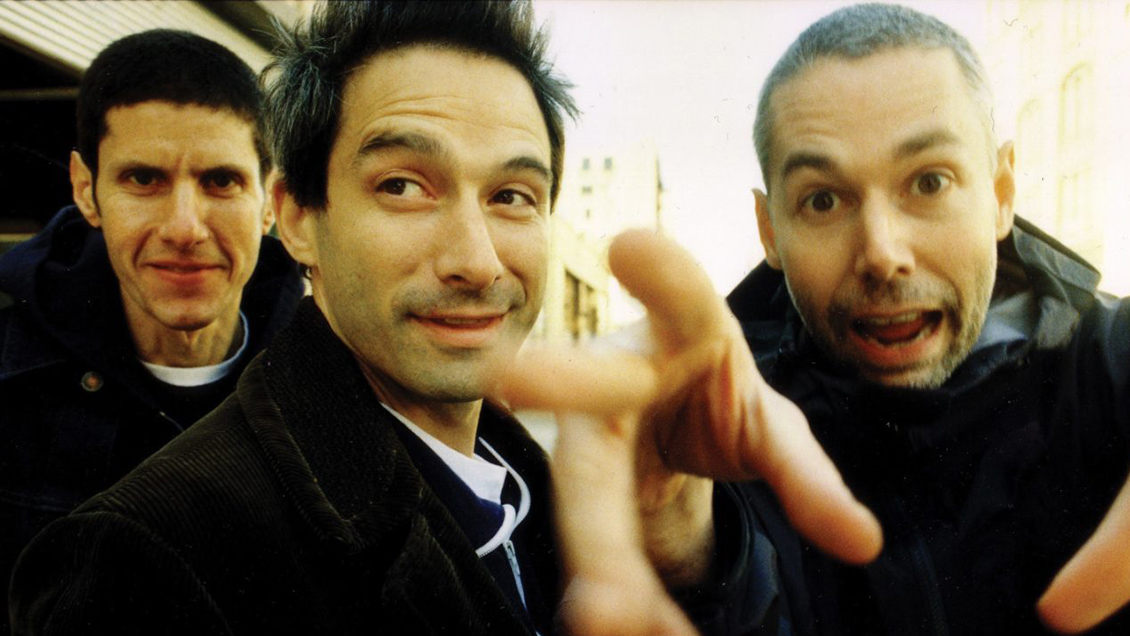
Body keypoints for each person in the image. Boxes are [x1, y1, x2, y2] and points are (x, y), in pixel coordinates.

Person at [11, 3, 881, 635]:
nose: (476, 258)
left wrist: (680, 532)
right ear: (298, 216)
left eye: (512, 195)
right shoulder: (144, 557)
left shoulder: (538, 489)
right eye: (404, 186)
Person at [503, 3, 1130, 635]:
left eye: (929, 183)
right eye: (823, 200)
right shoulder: (721, 427)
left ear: (1000, 194)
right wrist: (672, 522)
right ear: (769, 231)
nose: (882, 252)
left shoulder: (1109, 363)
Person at [0, 29, 303, 625]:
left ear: (270, 199)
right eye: (144, 180)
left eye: (221, 181)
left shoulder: (337, 388)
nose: (184, 228)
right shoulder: (9, 388)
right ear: (86, 190)